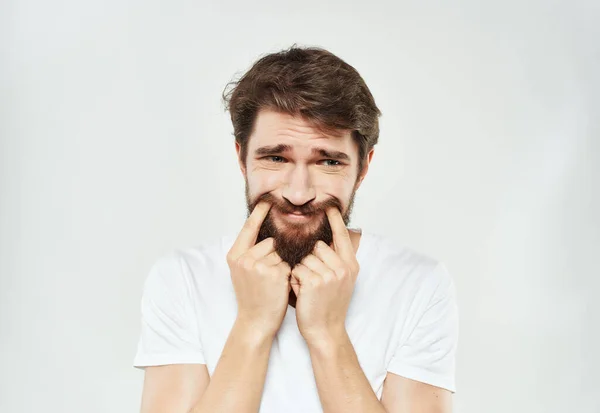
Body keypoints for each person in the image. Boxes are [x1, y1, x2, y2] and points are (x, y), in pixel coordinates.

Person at [133, 45, 459, 413]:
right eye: (276, 157)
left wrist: (327, 334)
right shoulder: (181, 277)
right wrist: (253, 325)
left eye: (329, 161)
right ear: (242, 158)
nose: (299, 193)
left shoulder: (419, 283)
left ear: (363, 168)